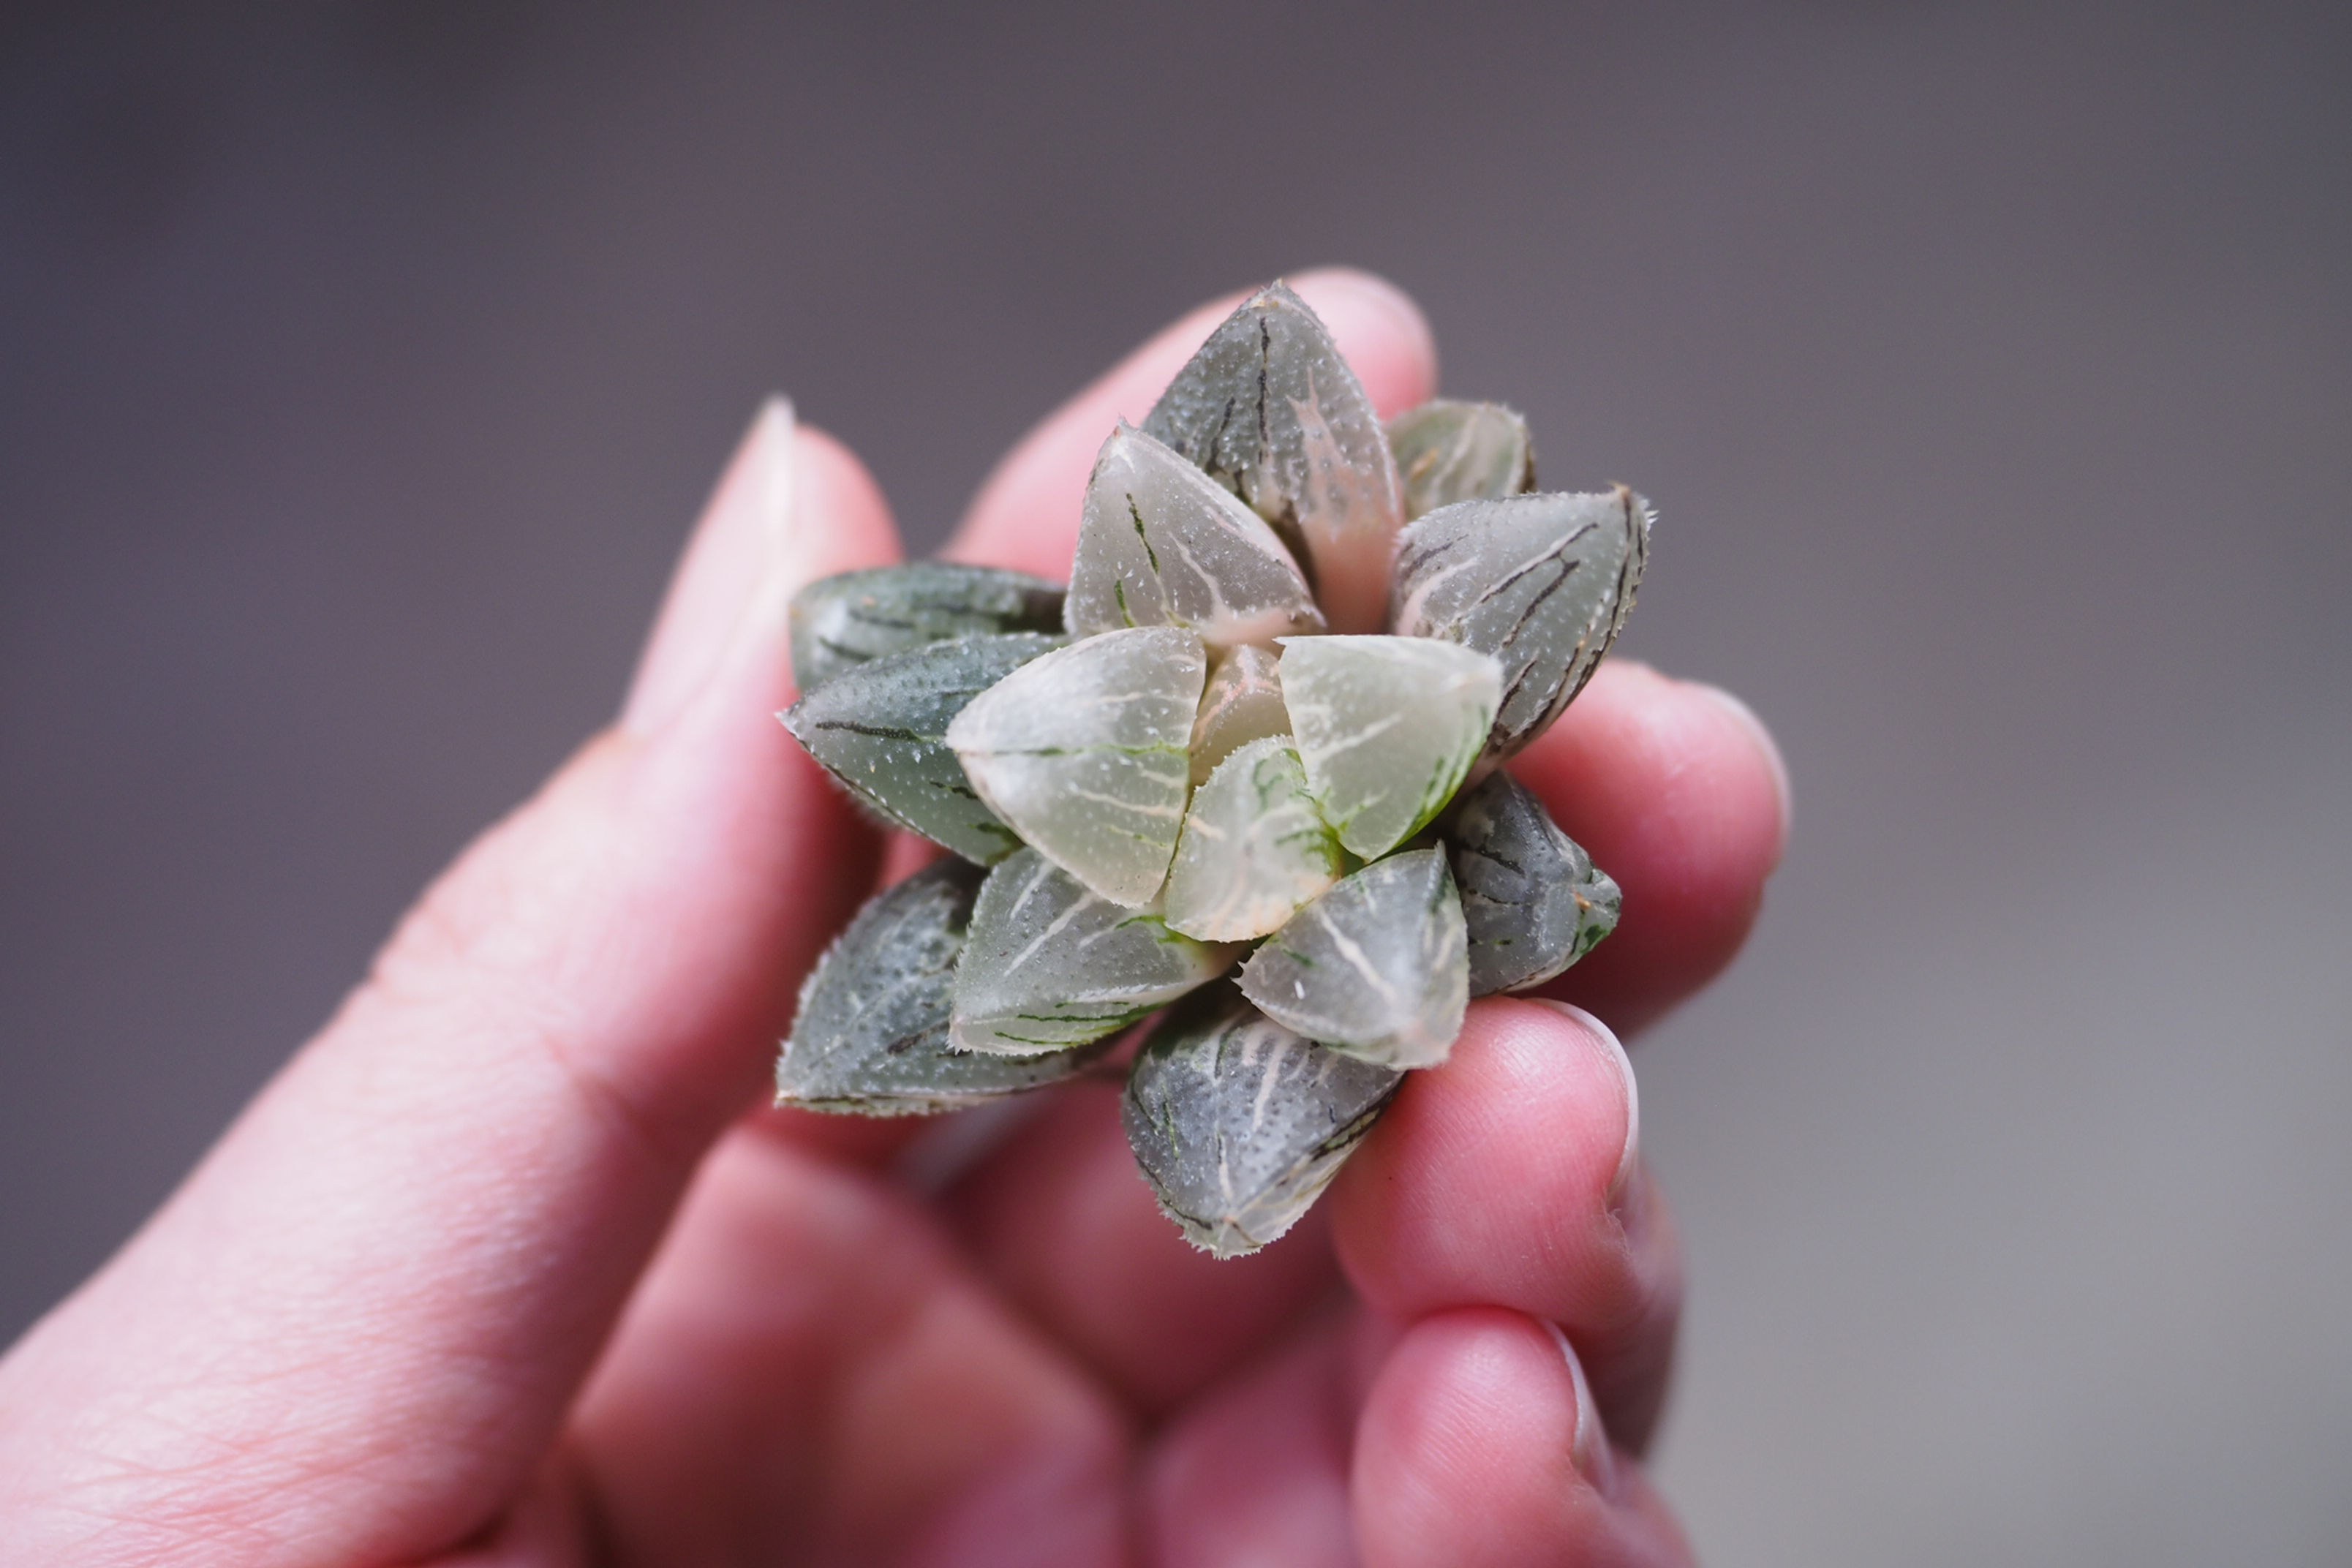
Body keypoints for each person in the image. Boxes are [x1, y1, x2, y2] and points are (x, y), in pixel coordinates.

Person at [0, 271, 1787, 1567]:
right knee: (1500, 1312)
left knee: (1504, 1226)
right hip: (1173, 941)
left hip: (1330, 929)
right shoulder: (1037, 762)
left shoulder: (1375, 810)